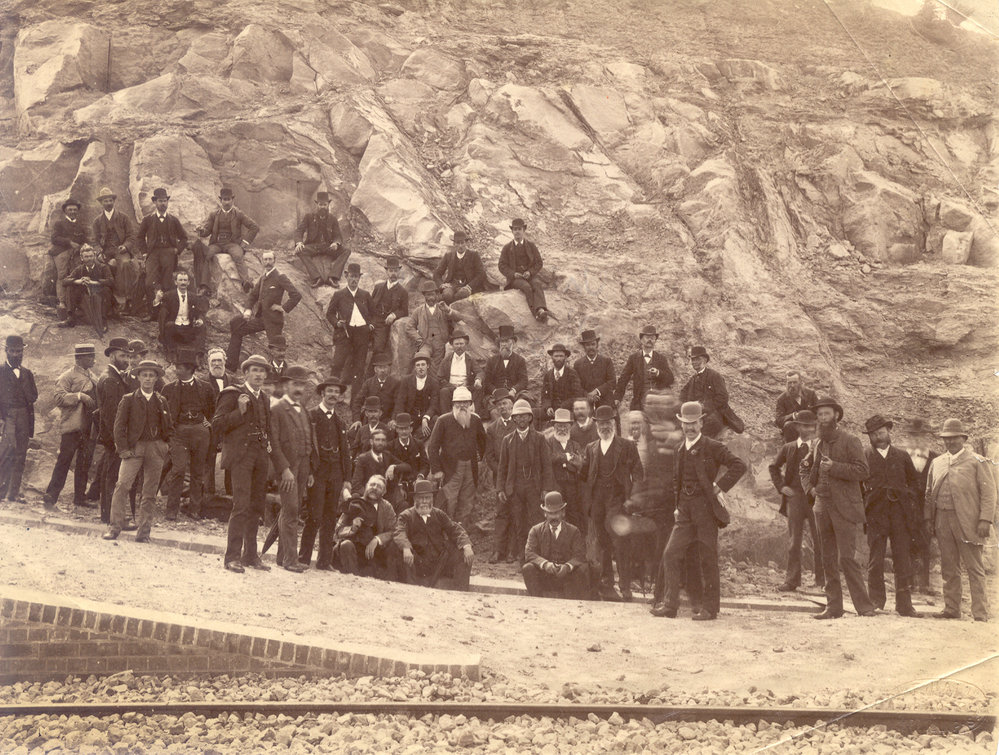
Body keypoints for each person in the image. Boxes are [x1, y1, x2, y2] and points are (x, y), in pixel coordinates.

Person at [658, 401, 746, 620]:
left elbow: (738, 465)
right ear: (681, 425)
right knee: (670, 553)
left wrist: (719, 486)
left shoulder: (712, 446)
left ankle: (710, 608)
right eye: (686, 423)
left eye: (693, 423)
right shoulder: (679, 449)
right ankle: (670, 605)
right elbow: (677, 481)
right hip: (684, 511)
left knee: (707, 557)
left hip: (705, 509)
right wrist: (678, 507)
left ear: (701, 423)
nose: (689, 427)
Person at [802, 396, 877, 619]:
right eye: (819, 415)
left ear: (836, 416)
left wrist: (835, 467)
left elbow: (863, 471)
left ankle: (864, 607)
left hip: (844, 507)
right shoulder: (817, 443)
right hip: (821, 506)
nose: (822, 418)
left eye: (826, 413)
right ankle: (833, 607)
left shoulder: (850, 440)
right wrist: (810, 489)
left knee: (847, 558)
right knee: (827, 558)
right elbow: (804, 468)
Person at [925, 418, 996, 622]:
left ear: (963, 438)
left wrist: (985, 520)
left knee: (974, 567)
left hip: (969, 522)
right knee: (949, 566)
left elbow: (989, 493)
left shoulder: (977, 461)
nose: (950, 442)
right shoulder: (937, 462)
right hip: (942, 520)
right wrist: (928, 518)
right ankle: (951, 608)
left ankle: (980, 612)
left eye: (954, 438)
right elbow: (928, 493)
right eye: (946, 438)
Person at [213, 354, 275, 573]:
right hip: (241, 457)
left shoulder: (264, 398)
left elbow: (267, 428)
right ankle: (232, 557)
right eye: (254, 370)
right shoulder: (233, 394)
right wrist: (239, 411)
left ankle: (250, 555)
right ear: (245, 373)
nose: (259, 375)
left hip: (260, 456)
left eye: (262, 371)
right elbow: (217, 424)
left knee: (257, 506)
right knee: (240, 506)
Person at [580, 404, 645, 601]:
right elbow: (584, 475)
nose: (604, 426)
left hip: (618, 500)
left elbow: (638, 473)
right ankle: (607, 581)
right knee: (602, 542)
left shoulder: (626, 446)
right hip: (598, 502)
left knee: (620, 543)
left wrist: (632, 499)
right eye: (601, 423)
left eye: (607, 422)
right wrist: (577, 464)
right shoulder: (591, 448)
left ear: (614, 424)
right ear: (596, 425)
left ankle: (625, 586)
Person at [103, 359, 172, 542]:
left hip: (155, 449)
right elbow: (119, 427)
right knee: (122, 486)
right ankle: (114, 528)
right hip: (134, 449)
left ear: (156, 378)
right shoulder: (129, 399)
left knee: (149, 492)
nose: (148, 379)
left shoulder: (161, 401)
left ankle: (144, 533)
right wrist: (123, 449)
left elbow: (169, 426)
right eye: (144, 375)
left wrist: (165, 446)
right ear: (139, 377)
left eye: (151, 375)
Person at [862, 414, 921, 617]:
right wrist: (866, 503)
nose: (878, 437)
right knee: (875, 558)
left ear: (888, 431)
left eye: (881, 432)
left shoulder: (902, 455)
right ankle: (875, 601)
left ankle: (904, 605)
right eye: (873, 434)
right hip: (875, 513)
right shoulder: (865, 456)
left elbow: (914, 483)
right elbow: (858, 485)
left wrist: (905, 497)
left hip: (899, 514)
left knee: (902, 558)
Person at [299, 377, 352, 570]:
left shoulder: (340, 422)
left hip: (335, 474)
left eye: (336, 392)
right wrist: (309, 472)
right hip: (317, 473)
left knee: (330, 518)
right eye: (330, 391)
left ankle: (324, 561)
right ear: (322, 393)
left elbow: (345, 452)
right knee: (314, 516)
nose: (333, 395)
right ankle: (303, 559)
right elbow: (305, 446)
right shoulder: (311, 416)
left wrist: (347, 479)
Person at [768, 410, 824, 592]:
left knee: (820, 539)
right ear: (797, 427)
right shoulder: (789, 447)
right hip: (795, 498)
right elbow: (773, 467)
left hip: (815, 498)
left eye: (811, 426)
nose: (808, 430)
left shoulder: (821, 447)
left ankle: (823, 581)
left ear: (815, 427)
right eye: (804, 426)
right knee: (794, 541)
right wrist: (781, 487)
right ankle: (792, 581)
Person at [269, 366, 316, 573]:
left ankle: (282, 557)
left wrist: (310, 470)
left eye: (302, 385)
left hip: (303, 468)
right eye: (295, 384)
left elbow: (309, 440)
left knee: (290, 511)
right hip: (288, 469)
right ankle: (290, 560)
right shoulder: (277, 409)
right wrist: (284, 469)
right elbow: (273, 443)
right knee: (291, 511)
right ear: (286, 385)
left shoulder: (303, 409)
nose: (299, 389)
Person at [496, 399, 554, 563]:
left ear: (530, 418)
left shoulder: (539, 438)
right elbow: (502, 468)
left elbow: (547, 466)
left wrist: (546, 488)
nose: (521, 419)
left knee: (535, 520)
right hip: (515, 487)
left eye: (524, 416)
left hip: (534, 486)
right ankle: (522, 553)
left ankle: (536, 552)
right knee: (518, 521)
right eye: (518, 416)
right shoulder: (508, 440)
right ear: (514, 419)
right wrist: (500, 489)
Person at [42, 344, 98, 512]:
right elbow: (58, 398)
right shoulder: (67, 376)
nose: (93, 359)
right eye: (89, 356)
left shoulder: (93, 376)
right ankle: (50, 496)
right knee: (64, 460)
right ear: (79, 358)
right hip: (72, 426)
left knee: (84, 463)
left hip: (89, 426)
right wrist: (79, 396)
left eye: (93, 356)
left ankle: (79, 498)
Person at [390, 478, 474, 590]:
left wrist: (466, 546)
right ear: (415, 499)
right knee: (398, 550)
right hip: (417, 563)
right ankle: (411, 592)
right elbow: (399, 532)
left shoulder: (439, 514)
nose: (424, 501)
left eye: (428, 498)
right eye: (421, 498)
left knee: (462, 553)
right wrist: (406, 547)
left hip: (438, 563)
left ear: (432, 499)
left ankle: (461, 592)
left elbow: (454, 529)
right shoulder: (406, 515)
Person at [161, 351, 215, 521]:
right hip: (179, 433)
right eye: (176, 367)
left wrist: (208, 422)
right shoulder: (168, 389)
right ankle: (171, 510)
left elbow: (213, 410)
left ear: (190, 369)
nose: (176, 370)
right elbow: (163, 413)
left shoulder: (206, 388)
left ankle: (194, 509)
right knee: (178, 470)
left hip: (200, 432)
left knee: (198, 472)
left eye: (180, 367)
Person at [226, 251, 301, 371]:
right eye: (265, 260)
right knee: (237, 331)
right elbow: (253, 296)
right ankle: (230, 366)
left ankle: (280, 374)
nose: (268, 262)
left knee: (277, 350)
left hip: (274, 320)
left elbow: (296, 295)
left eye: (270, 259)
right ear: (262, 261)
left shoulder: (280, 276)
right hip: (261, 319)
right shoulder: (263, 278)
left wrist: (283, 308)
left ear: (274, 260)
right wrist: (248, 310)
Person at [427, 386, 487, 527]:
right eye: (459, 403)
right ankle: (447, 530)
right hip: (450, 468)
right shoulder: (443, 420)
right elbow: (432, 447)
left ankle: (462, 529)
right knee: (450, 499)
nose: (462, 406)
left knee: (467, 499)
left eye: (465, 402)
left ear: (470, 403)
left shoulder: (475, 420)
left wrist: (482, 460)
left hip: (470, 466)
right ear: (453, 404)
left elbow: (483, 442)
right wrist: (437, 470)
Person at [92, 338, 133, 524]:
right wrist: (119, 440)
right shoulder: (110, 379)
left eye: (128, 356)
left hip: (114, 436)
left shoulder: (115, 377)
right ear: (112, 356)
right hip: (114, 437)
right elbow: (111, 415)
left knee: (111, 474)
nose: (127, 360)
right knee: (113, 476)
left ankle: (108, 515)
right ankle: (113, 518)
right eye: (123, 356)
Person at [523, 491, 590, 599]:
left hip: (567, 578)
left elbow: (580, 555)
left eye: (557, 513)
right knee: (528, 568)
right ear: (545, 514)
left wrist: (567, 567)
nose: (553, 517)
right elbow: (529, 553)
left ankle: (574, 602)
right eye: (550, 513)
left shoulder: (574, 531)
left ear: (563, 512)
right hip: (545, 577)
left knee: (583, 568)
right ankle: (537, 601)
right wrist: (545, 564)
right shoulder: (535, 530)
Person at [192, 186, 259, 293]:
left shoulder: (239, 214)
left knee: (238, 255)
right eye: (224, 199)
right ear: (221, 200)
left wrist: (245, 242)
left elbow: (254, 227)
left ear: (232, 200)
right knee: (207, 255)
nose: (227, 202)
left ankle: (246, 282)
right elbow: (207, 231)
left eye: (229, 199)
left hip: (232, 243)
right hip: (216, 244)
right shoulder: (214, 215)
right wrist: (201, 230)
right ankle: (204, 286)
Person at [135, 187, 188, 320]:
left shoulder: (173, 220)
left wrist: (177, 250)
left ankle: (166, 313)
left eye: (165, 201)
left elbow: (184, 238)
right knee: (149, 283)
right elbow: (139, 237)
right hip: (153, 253)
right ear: (155, 202)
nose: (163, 203)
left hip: (169, 253)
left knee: (167, 283)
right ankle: (152, 313)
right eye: (160, 201)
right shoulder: (148, 220)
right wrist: (144, 252)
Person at [901, 418, 939, 594]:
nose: (917, 439)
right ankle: (908, 583)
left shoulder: (936, 458)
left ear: (927, 437)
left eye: (921, 436)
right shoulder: (899, 456)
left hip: (926, 509)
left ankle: (924, 583)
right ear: (908, 437)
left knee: (925, 544)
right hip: (905, 508)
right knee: (905, 544)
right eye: (913, 436)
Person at [332, 475, 397, 576]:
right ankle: (353, 577)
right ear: (366, 486)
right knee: (346, 545)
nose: (374, 488)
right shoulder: (354, 503)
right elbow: (338, 530)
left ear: (384, 492)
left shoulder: (387, 507)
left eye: (379, 487)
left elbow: (393, 531)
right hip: (352, 550)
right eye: (372, 484)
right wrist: (352, 528)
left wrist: (377, 539)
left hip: (373, 553)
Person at [91, 187, 142, 315]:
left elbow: (131, 236)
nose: (108, 203)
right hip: (105, 251)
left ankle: (126, 299)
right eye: (105, 201)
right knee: (99, 266)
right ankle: (105, 302)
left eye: (110, 200)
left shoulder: (123, 218)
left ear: (114, 201)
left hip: (120, 249)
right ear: (101, 203)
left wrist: (125, 246)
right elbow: (94, 241)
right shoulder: (97, 221)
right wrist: (98, 252)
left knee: (125, 264)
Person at [327, 262, 375, 396]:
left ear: (359, 278)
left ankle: (355, 401)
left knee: (359, 369)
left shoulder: (365, 295)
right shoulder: (339, 295)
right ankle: (331, 393)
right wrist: (337, 323)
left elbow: (374, 314)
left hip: (362, 335)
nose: (354, 280)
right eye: (351, 276)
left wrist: (370, 324)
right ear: (346, 277)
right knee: (337, 364)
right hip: (344, 333)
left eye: (356, 277)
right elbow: (330, 314)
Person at [0, 335, 37, 503]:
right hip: (6, 416)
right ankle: (1, 492)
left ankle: (13, 493)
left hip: (24, 416)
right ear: (6, 351)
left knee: (21, 454)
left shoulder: (27, 374)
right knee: (6, 452)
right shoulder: (0, 371)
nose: (16, 354)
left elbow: (33, 396)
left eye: (19, 351)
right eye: (13, 351)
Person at [679, 346, 739, 438]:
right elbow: (683, 393)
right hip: (696, 414)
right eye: (693, 359)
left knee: (704, 429)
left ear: (705, 360)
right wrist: (686, 406)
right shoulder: (693, 379)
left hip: (713, 413)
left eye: (697, 359)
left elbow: (723, 397)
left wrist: (703, 406)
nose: (694, 362)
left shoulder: (715, 376)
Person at [498, 218, 548, 322]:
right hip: (515, 279)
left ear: (523, 230)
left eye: (519, 229)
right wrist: (513, 274)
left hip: (529, 275)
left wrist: (530, 272)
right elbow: (501, 265)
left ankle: (541, 309)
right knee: (526, 287)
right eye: (515, 229)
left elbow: (539, 262)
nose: (517, 231)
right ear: (512, 231)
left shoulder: (531, 245)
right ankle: (536, 313)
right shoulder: (507, 248)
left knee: (537, 284)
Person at [403, 280, 458, 375]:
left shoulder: (443, 308)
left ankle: (434, 382)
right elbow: (409, 327)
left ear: (437, 295)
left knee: (437, 368)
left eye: (432, 294)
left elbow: (457, 318)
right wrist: (418, 339)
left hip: (440, 343)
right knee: (421, 359)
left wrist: (448, 310)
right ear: (424, 296)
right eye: (427, 295)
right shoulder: (418, 311)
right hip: (425, 343)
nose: (430, 298)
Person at [615, 325, 674, 411]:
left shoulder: (661, 358)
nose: (650, 340)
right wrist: (617, 397)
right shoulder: (634, 358)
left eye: (652, 338)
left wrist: (658, 373)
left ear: (655, 341)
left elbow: (671, 379)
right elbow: (624, 378)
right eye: (647, 337)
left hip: (658, 402)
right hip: (640, 401)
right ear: (641, 340)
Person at [294, 191, 346, 288]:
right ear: (317, 205)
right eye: (320, 204)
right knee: (300, 251)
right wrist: (299, 242)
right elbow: (299, 231)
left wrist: (336, 243)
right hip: (313, 247)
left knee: (346, 251)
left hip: (328, 247)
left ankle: (333, 277)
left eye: (324, 205)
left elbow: (338, 235)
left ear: (328, 205)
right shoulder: (309, 217)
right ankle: (317, 278)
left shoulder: (333, 219)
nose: (322, 207)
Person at [47, 199, 88, 312]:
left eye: (75, 210)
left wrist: (82, 246)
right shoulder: (59, 224)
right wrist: (69, 242)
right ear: (65, 211)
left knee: (79, 273)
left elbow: (84, 239)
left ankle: (76, 302)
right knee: (63, 275)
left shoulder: (80, 225)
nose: (72, 212)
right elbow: (54, 238)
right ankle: (62, 302)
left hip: (76, 252)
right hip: (61, 251)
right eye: (70, 209)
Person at [204, 348, 235, 500]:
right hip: (210, 427)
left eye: (219, 360)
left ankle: (230, 494)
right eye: (213, 361)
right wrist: (205, 421)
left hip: (229, 427)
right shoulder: (202, 382)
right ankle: (208, 495)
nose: (216, 364)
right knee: (208, 460)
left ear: (225, 361)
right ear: (208, 363)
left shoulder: (233, 381)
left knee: (230, 459)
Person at [547, 408, 585, 532]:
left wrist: (574, 462)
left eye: (565, 426)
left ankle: (576, 538)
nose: (562, 429)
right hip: (555, 485)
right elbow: (548, 459)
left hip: (572, 486)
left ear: (570, 427)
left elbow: (580, 463)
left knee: (574, 513)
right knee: (556, 514)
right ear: (554, 427)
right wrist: (566, 457)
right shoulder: (548, 443)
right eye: (559, 426)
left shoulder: (575, 445)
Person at [158, 269, 207, 362]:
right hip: (174, 330)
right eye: (180, 280)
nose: (183, 282)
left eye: (185, 280)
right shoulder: (169, 295)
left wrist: (200, 320)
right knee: (169, 325)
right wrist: (157, 300)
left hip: (188, 329)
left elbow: (200, 313)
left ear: (188, 282)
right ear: (176, 282)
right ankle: (171, 352)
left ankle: (199, 355)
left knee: (202, 326)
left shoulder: (193, 297)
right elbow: (160, 311)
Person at [60, 245, 113, 329]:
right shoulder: (79, 269)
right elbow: (64, 281)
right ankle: (71, 319)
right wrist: (78, 281)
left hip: (100, 299)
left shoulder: (103, 267)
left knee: (106, 290)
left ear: (94, 256)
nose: (89, 259)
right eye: (86, 257)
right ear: (82, 258)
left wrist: (94, 282)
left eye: (91, 256)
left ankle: (103, 321)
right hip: (86, 300)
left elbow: (111, 281)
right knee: (70, 287)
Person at [369, 257, 408, 369]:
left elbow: (404, 311)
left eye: (395, 270)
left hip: (384, 324)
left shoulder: (403, 292)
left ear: (399, 271)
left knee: (378, 347)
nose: (393, 273)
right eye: (391, 270)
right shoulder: (378, 287)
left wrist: (394, 315)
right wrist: (369, 321)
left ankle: (370, 373)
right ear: (386, 271)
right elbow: (370, 305)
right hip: (372, 321)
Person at [395, 349, 441, 441]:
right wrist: (402, 419)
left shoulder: (434, 382)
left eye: (423, 364)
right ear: (415, 367)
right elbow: (400, 401)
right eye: (418, 365)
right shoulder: (406, 381)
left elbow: (434, 404)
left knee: (436, 420)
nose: (420, 368)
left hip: (425, 415)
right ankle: (413, 438)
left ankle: (415, 439)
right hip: (410, 415)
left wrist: (425, 418)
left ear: (428, 366)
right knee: (399, 427)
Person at [387, 413, 428, 511]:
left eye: (406, 428)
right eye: (401, 429)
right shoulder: (390, 446)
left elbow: (425, 465)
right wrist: (398, 487)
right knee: (402, 506)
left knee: (423, 506)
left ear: (411, 429)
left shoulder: (418, 444)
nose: (404, 431)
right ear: (396, 429)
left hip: (416, 483)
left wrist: (420, 477)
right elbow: (390, 471)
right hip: (398, 485)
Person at [434, 230, 487, 303]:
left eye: (462, 243)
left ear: (466, 243)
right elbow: (437, 273)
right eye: (458, 243)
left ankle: (450, 307)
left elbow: (481, 273)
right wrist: (441, 285)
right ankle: (449, 307)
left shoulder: (474, 255)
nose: (460, 245)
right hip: (451, 285)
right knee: (447, 295)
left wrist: (470, 286)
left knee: (462, 294)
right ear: (454, 244)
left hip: (467, 285)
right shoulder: (448, 255)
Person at [438, 329, 481, 412]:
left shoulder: (470, 359)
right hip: (451, 388)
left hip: (466, 387)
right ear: (452, 345)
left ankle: (475, 415)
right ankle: (446, 416)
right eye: (456, 344)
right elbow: (440, 377)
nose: (459, 346)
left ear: (466, 345)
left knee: (478, 389)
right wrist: (452, 386)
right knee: (443, 392)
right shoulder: (446, 360)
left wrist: (478, 379)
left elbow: (479, 371)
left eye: (461, 344)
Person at [574, 330, 616, 413]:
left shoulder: (606, 361)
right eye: (587, 345)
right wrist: (587, 395)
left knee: (610, 417)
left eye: (593, 344)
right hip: (586, 403)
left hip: (605, 401)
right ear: (584, 347)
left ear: (597, 345)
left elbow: (612, 382)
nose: (591, 347)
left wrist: (597, 391)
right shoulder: (578, 364)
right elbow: (576, 386)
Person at [350, 427, 399, 498]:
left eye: (383, 440)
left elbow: (407, 466)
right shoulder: (363, 458)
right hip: (369, 495)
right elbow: (356, 484)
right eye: (377, 440)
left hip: (386, 495)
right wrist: (372, 494)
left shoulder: (387, 455)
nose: (380, 443)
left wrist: (393, 466)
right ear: (371, 442)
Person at [482, 325, 528, 401]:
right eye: (502, 342)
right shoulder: (491, 361)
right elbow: (487, 381)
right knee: (491, 405)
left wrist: (514, 390)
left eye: (506, 341)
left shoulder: (520, 360)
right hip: (495, 395)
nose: (503, 344)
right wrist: (495, 391)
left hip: (514, 394)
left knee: (524, 401)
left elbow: (523, 381)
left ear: (513, 343)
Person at [540, 343, 582, 422]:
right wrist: (548, 407)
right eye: (556, 356)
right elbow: (545, 396)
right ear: (552, 357)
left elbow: (577, 396)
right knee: (535, 413)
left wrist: (563, 407)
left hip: (567, 409)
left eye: (561, 356)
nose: (559, 359)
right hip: (551, 411)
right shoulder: (548, 375)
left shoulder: (572, 374)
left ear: (565, 357)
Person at [352, 354, 397, 423]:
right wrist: (357, 419)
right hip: (370, 419)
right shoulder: (368, 383)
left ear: (389, 369)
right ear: (375, 369)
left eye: (385, 367)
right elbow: (357, 402)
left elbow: (398, 404)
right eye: (380, 367)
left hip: (387, 419)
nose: (382, 370)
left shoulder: (396, 383)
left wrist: (393, 419)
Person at [774, 372, 818, 443]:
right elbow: (779, 420)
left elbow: (819, 411)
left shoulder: (811, 394)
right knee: (788, 425)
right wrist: (793, 416)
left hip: (811, 426)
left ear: (800, 382)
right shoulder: (781, 399)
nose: (792, 385)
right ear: (786, 384)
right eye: (789, 383)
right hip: (794, 429)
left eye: (795, 382)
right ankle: (792, 448)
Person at [483, 388, 514, 487]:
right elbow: (489, 456)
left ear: (511, 405)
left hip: (519, 475)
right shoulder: (492, 429)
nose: (502, 407)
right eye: (499, 405)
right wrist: (500, 471)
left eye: (504, 403)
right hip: (500, 477)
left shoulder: (520, 424)